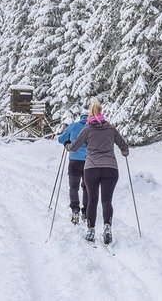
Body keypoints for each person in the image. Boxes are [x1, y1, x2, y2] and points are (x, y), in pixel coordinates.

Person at [67, 100, 129, 244]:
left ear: (90, 114)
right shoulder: (111, 128)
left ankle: (91, 230)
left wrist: (68, 146)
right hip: (111, 168)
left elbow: (75, 146)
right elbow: (123, 146)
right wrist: (124, 152)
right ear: (101, 113)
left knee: (92, 201)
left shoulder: (87, 129)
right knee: (107, 201)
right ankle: (107, 227)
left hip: (91, 169)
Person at [57, 110, 89, 224]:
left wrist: (67, 142)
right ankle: (86, 212)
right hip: (89, 162)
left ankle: (75, 210)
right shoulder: (92, 128)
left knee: (74, 187)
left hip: (74, 161)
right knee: (87, 187)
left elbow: (60, 139)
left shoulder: (74, 126)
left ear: (81, 117)